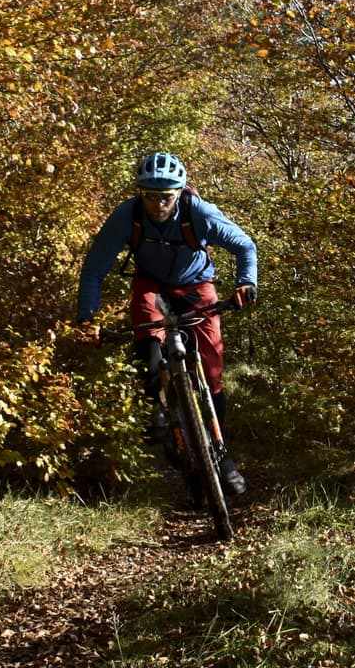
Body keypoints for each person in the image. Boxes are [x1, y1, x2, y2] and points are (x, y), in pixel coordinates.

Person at [76, 151, 258, 498]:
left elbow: (244, 246)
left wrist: (245, 283)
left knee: (213, 369)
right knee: (147, 339)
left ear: (179, 193)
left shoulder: (198, 212)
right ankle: (156, 410)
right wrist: (87, 317)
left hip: (196, 285)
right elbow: (94, 268)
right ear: (140, 193)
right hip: (151, 284)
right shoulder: (126, 216)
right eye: (150, 196)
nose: (158, 204)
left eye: (166, 197)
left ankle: (222, 456)